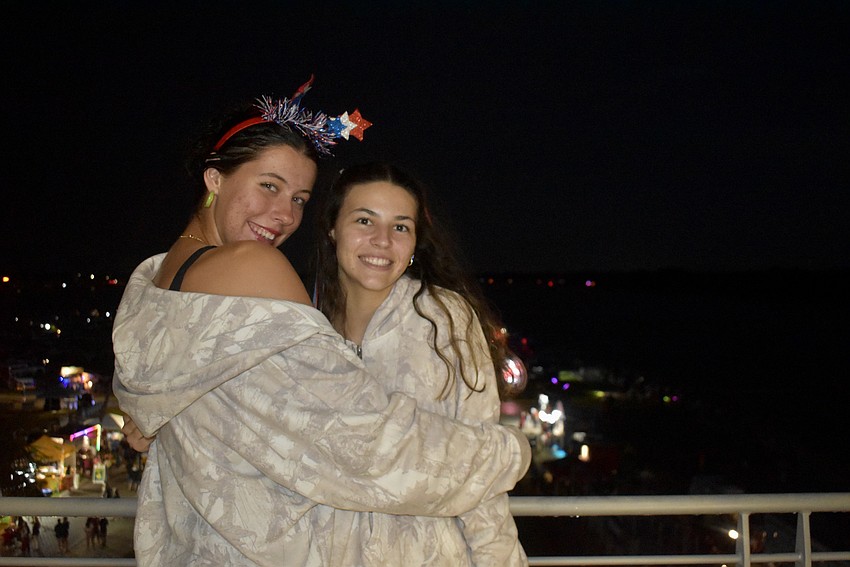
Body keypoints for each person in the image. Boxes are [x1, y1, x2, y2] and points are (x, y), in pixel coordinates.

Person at [114, 78, 530, 566]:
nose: (283, 214)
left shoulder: (161, 281)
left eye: (298, 198)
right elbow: (364, 445)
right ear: (214, 178)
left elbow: (154, 398)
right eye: (269, 185)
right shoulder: (254, 267)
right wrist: (509, 453)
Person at [312, 162, 528, 565]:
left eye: (400, 227)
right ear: (332, 228)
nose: (381, 241)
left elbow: (479, 474)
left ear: (414, 244)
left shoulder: (443, 319)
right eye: (364, 220)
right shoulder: (309, 330)